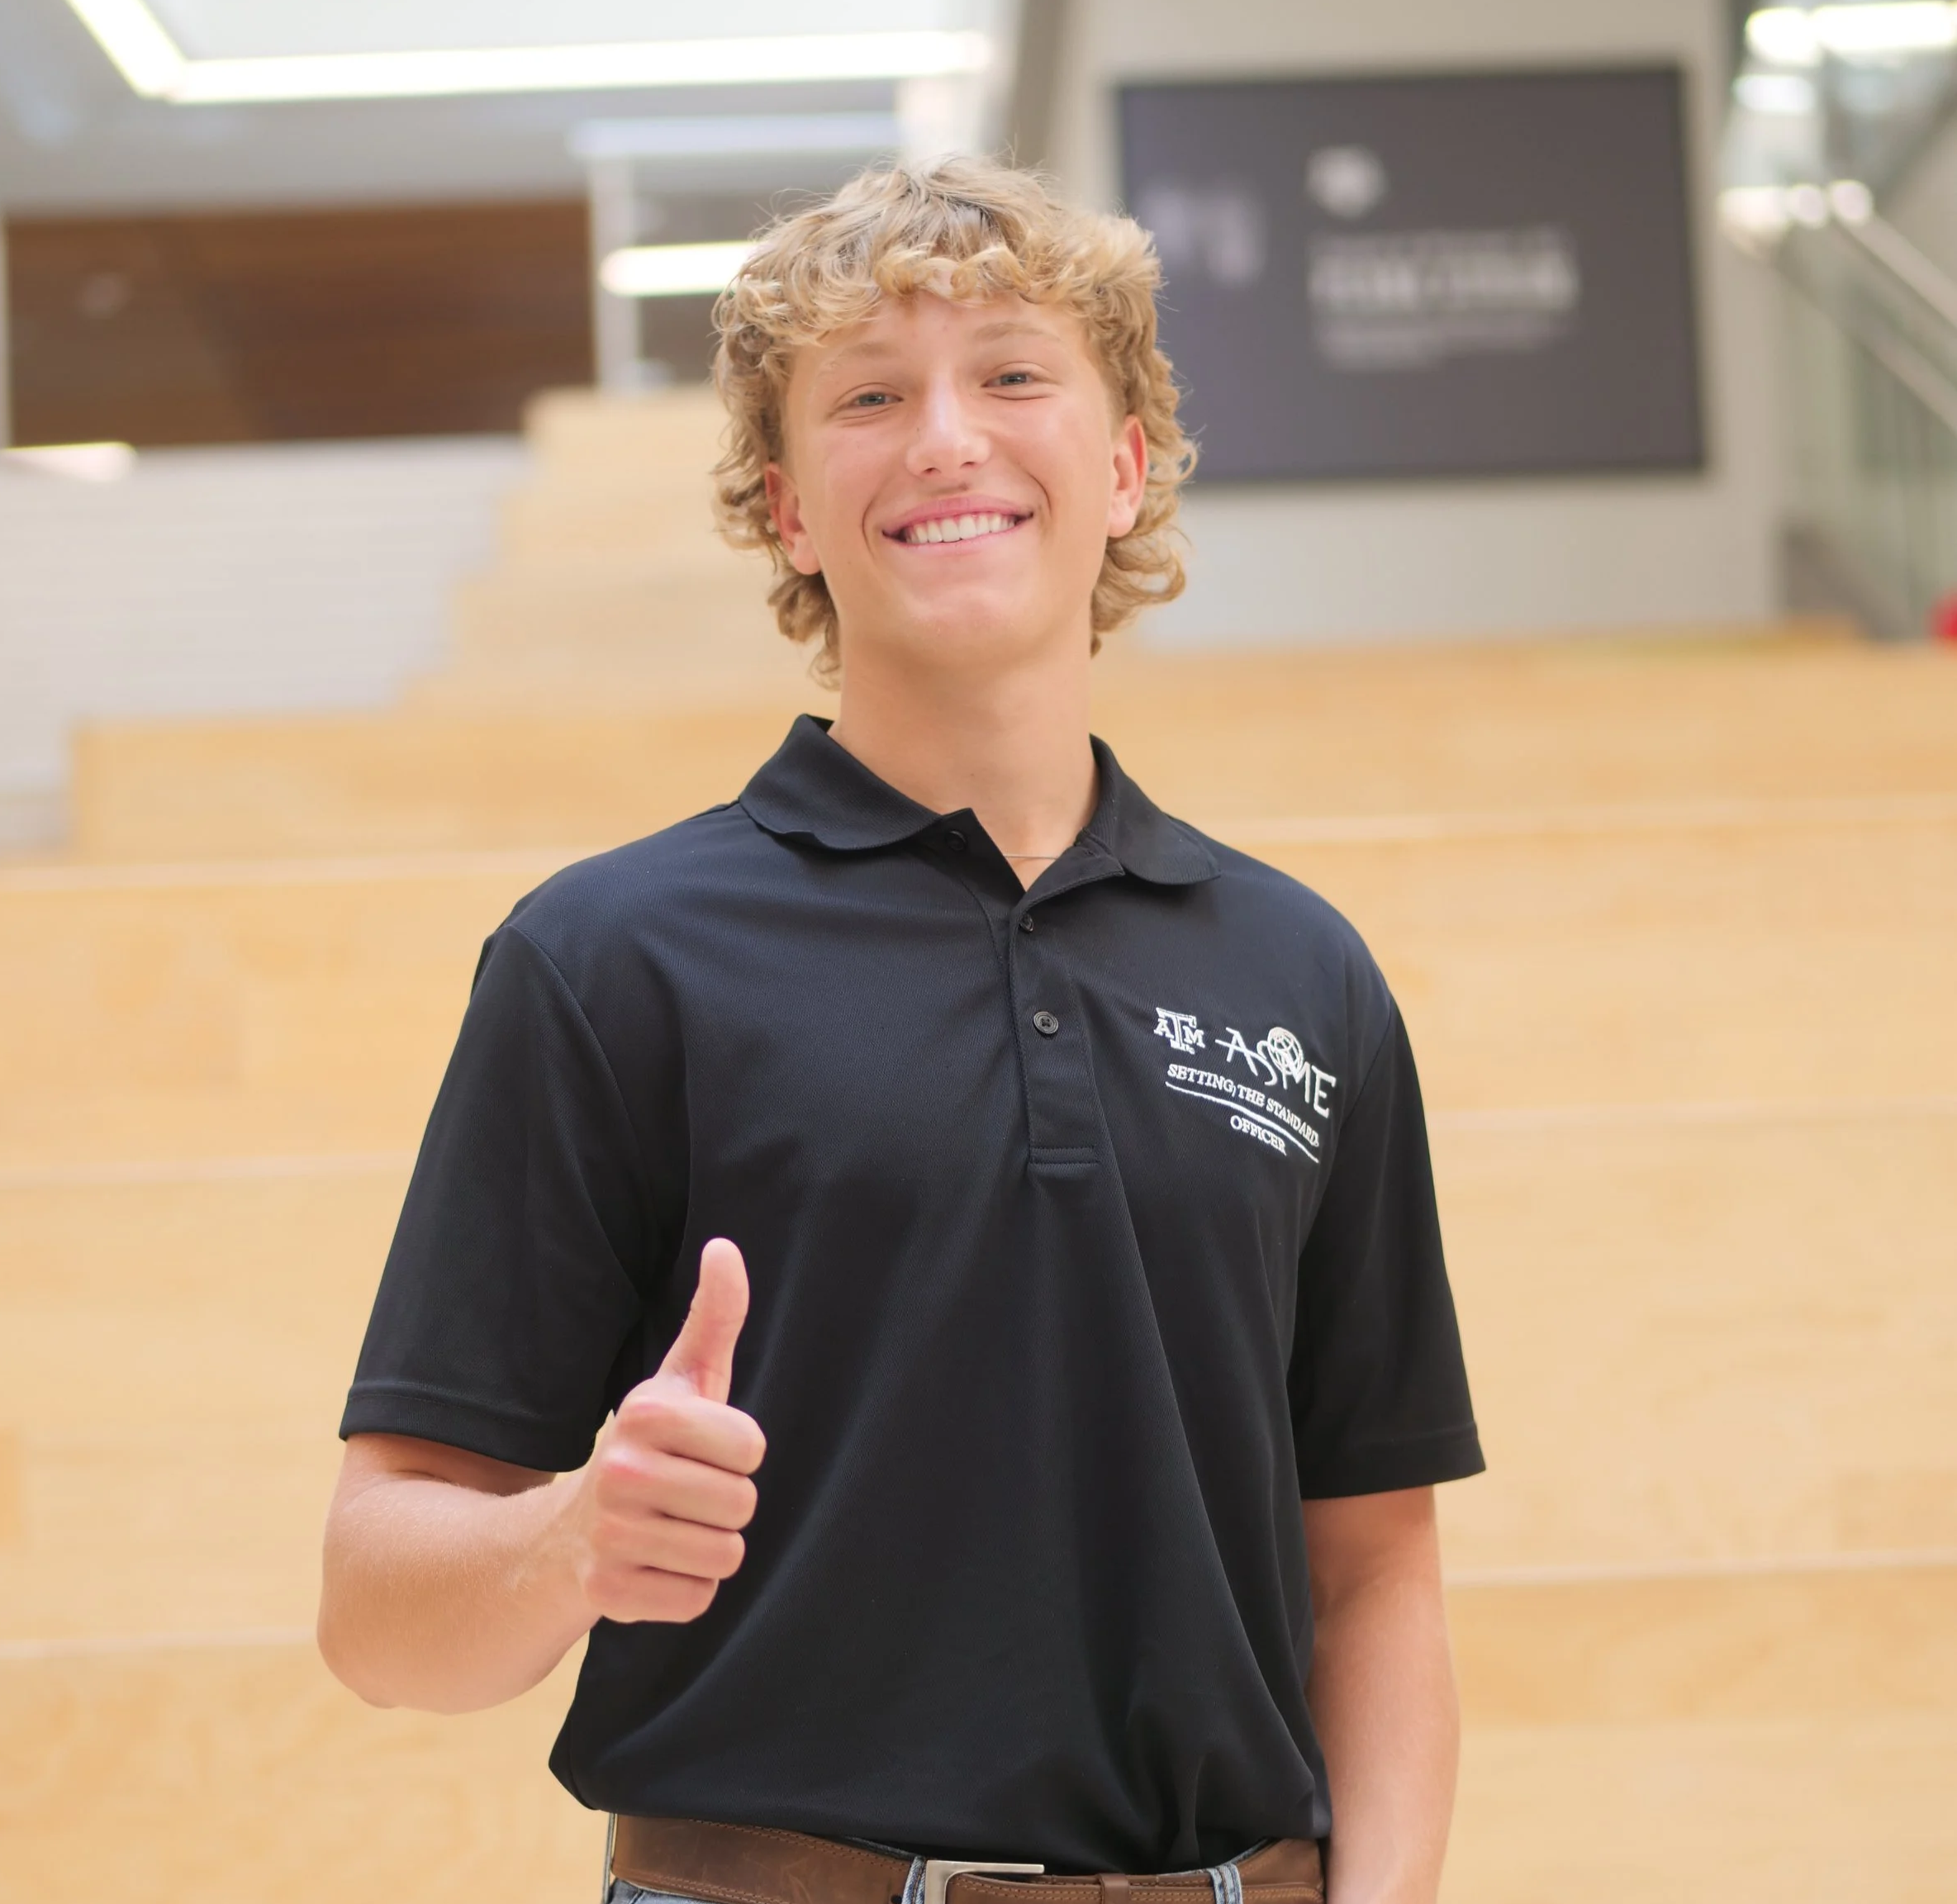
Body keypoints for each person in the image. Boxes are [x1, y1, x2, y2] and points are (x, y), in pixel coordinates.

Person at [319, 159, 1483, 1904]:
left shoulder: (1299, 975)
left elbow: (1373, 1570)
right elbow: (373, 1603)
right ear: (787, 506)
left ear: (1124, 464)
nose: (945, 437)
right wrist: (573, 1541)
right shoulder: (607, 957)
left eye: (1011, 374)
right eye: (869, 394)